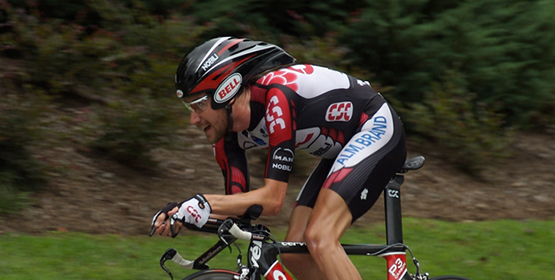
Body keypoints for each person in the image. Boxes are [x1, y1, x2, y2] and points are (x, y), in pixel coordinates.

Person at [150, 37, 407, 280]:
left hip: (375, 127)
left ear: (225, 92)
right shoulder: (226, 139)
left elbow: (273, 200)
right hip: (342, 149)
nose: (193, 119)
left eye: (199, 105)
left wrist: (204, 202)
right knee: (295, 252)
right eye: (190, 108)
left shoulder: (276, 97)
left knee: (320, 236)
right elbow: (241, 213)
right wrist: (184, 216)